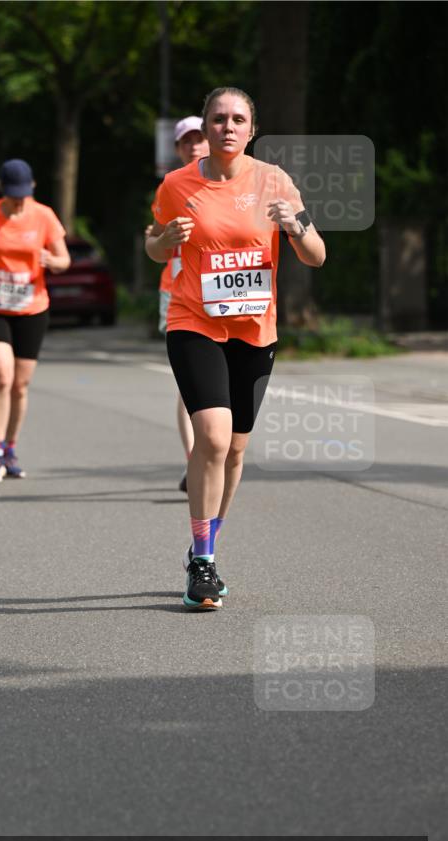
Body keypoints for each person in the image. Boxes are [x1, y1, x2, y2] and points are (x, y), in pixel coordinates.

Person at [146, 87, 325, 610]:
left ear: (252, 130)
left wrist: (296, 228)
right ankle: (203, 562)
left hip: (254, 329)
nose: (227, 127)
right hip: (194, 321)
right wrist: (166, 240)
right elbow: (154, 244)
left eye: (238, 119)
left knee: (238, 449)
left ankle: (206, 540)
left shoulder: (275, 181)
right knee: (214, 436)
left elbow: (315, 255)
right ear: (205, 127)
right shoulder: (178, 185)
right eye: (218, 118)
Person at [0, 159, 70, 481]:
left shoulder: (44, 216)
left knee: (20, 386)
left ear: (32, 187)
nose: (19, 201)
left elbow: (64, 258)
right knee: (2, 376)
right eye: (12, 195)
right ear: (1, 190)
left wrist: (54, 260)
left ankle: (10, 448)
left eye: (23, 194)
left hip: (32, 308)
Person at [151, 116, 210, 493]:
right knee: (187, 384)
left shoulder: (232, 181)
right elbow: (155, 240)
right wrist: (158, 238)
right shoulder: (171, 187)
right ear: (177, 148)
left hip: (221, 293)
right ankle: (195, 460)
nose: (193, 145)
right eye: (186, 141)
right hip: (178, 290)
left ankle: (213, 452)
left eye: (199, 138)